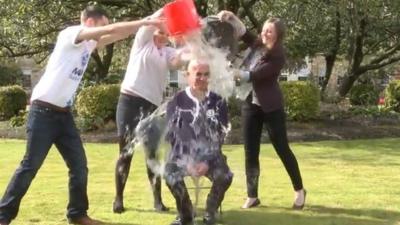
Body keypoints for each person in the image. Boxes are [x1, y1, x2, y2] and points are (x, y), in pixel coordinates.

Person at [0, 5, 165, 225]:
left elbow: (118, 33)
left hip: (63, 115)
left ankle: (77, 214)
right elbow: (114, 29)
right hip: (42, 111)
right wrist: (148, 23)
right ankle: (3, 216)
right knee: (30, 166)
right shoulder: (70, 34)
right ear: (89, 22)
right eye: (102, 26)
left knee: (79, 165)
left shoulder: (87, 46)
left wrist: (153, 18)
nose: (105, 31)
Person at [217, 10, 306, 210]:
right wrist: (231, 17)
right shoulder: (257, 45)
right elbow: (243, 32)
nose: (265, 34)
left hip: (271, 107)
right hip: (250, 104)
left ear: (278, 35)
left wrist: (232, 73)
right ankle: (252, 196)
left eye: (270, 32)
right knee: (250, 151)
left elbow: (255, 75)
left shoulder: (278, 56)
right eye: (265, 30)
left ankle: (299, 190)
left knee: (282, 149)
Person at [112, 9, 184, 213]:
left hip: (151, 107)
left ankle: (157, 201)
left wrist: (185, 41)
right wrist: (172, 8)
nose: (161, 36)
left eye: (165, 34)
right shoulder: (142, 43)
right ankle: (118, 198)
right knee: (125, 152)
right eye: (159, 32)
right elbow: (150, 21)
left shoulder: (168, 52)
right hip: (129, 101)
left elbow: (179, 60)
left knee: (152, 155)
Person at [164, 59, 233, 225]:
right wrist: (187, 160)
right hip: (183, 155)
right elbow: (172, 135)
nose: (202, 78)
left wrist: (207, 161)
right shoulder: (176, 101)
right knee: (169, 173)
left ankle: (210, 211)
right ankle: (186, 213)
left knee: (225, 176)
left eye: (206, 74)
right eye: (198, 74)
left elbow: (220, 135)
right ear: (188, 76)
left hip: (210, 156)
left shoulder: (218, 102)